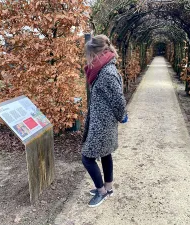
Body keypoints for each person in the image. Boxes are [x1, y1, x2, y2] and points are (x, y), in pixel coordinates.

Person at [82, 34, 128, 207]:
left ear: (97, 52)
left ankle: (101, 192)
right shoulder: (102, 68)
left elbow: (119, 100)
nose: (88, 58)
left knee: (87, 158)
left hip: (103, 124)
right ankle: (108, 187)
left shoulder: (107, 72)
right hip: (100, 121)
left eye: (90, 54)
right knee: (105, 153)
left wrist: (121, 115)